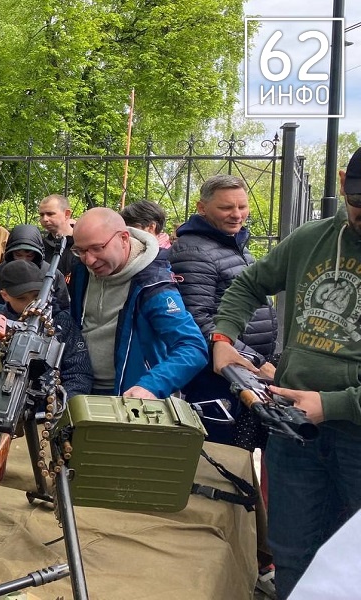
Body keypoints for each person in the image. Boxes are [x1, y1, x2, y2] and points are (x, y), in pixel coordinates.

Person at [210, 147, 361, 599]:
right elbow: (248, 284)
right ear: (342, 183)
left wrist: (333, 404)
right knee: (292, 549)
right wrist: (223, 337)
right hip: (294, 431)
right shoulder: (311, 239)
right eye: (359, 204)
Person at [169, 175, 278, 448]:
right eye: (226, 207)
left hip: (243, 372)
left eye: (242, 206)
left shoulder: (233, 243)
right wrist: (255, 360)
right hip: (219, 375)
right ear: (202, 208)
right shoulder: (194, 251)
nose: (237, 214)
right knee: (222, 451)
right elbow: (197, 318)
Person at [67, 207, 207, 398]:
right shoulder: (81, 271)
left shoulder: (154, 284)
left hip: (130, 398)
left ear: (124, 238)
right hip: (78, 388)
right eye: (81, 251)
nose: (89, 260)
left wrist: (152, 385)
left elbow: (193, 347)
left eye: (97, 248)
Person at [0, 260, 92, 400]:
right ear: (5, 295)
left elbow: (79, 374)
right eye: (21, 298)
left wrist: (60, 404)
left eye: (37, 296)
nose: (31, 303)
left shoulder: (62, 323)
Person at [0, 224, 69, 322]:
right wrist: (9, 309)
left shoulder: (52, 274)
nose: (23, 260)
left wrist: (47, 311)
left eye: (29, 256)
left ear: (37, 255)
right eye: (18, 255)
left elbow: (64, 309)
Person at [37, 194, 77, 278]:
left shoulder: (82, 244)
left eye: (50, 214)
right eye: (41, 215)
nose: (45, 219)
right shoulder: (41, 247)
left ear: (67, 214)